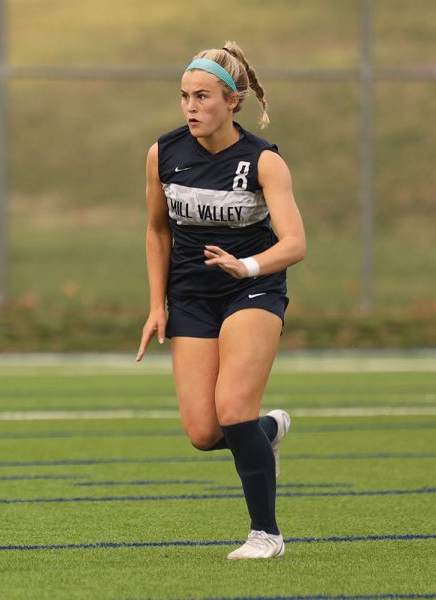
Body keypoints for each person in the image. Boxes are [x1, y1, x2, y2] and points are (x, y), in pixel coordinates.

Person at [135, 41, 307, 559]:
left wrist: (248, 267)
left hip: (251, 289)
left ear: (233, 102)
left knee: (232, 408)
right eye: (184, 96)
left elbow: (295, 242)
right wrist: (156, 304)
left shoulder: (263, 161)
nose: (191, 107)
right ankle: (267, 431)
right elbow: (156, 232)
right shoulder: (162, 154)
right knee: (205, 431)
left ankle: (266, 535)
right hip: (190, 296)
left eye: (203, 96)